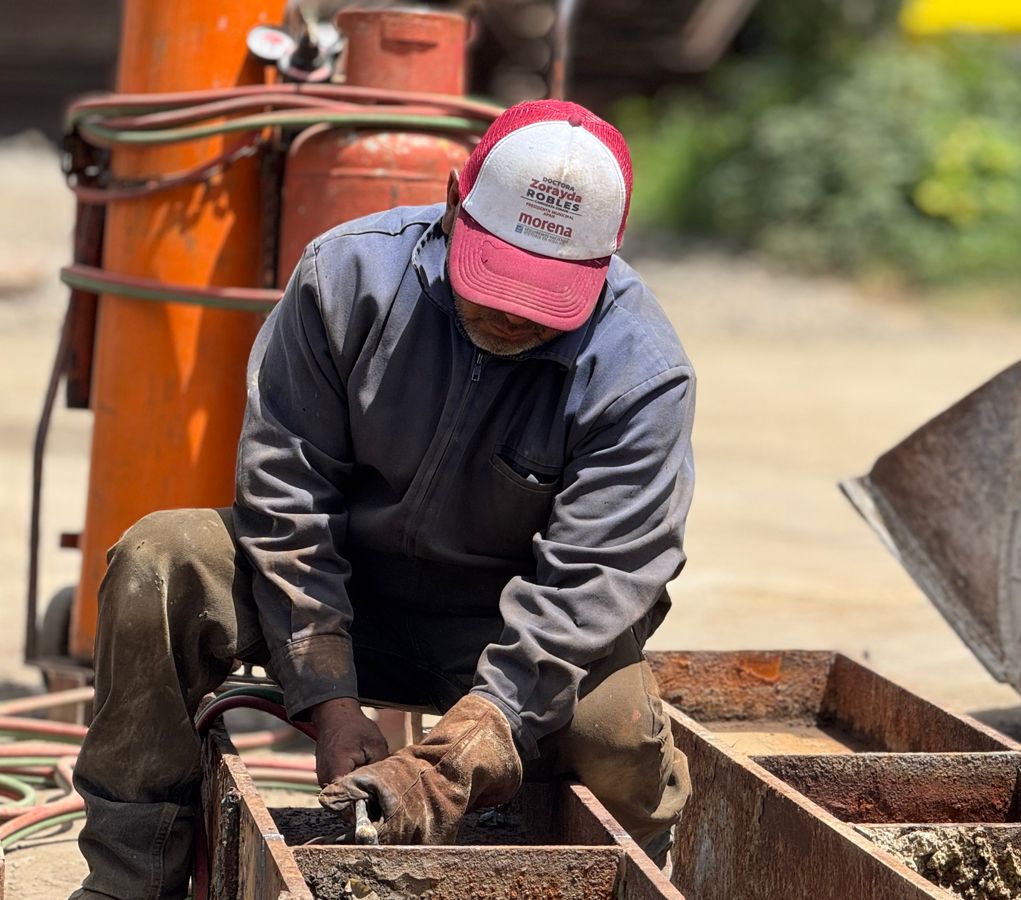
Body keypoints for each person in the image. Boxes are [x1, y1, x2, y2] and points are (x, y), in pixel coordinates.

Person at [70, 99, 694, 900]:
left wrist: (462, 752)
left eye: (542, 301)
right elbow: (288, 499)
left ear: (603, 265)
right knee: (161, 559)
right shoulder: (346, 278)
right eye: (495, 280)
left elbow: (595, 582)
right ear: (451, 202)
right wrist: (327, 695)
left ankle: (628, 878)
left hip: (500, 624)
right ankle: (129, 880)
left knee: (617, 730)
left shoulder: (642, 374)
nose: (509, 314)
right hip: (345, 593)